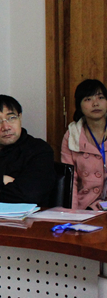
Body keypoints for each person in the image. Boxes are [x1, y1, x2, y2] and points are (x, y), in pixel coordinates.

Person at [61, 79, 107, 209]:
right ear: (79, 105)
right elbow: (70, 180)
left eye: (101, 97)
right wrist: (73, 214)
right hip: (85, 207)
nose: (95, 103)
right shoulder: (72, 135)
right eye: (88, 99)